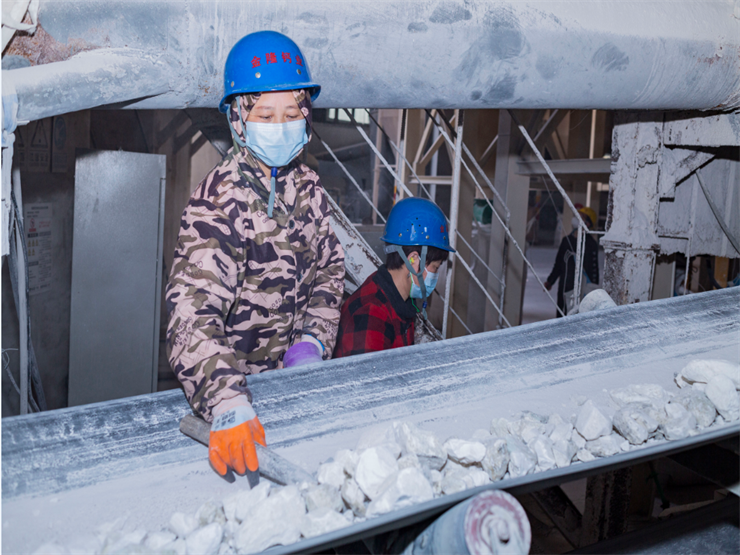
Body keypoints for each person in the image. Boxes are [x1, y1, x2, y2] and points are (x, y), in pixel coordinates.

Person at [166, 31, 345, 480]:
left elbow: (330, 270)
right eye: (266, 114)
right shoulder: (218, 202)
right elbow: (191, 314)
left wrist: (313, 340)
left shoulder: (308, 188)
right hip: (231, 405)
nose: (281, 124)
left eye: (291, 113)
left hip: (292, 393)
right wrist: (226, 401)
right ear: (238, 120)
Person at [333, 198, 453, 358]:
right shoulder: (372, 315)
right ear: (413, 260)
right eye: (435, 268)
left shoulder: (401, 301)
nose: (435, 276)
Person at [544, 206, 599, 316]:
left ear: (587, 223)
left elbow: (593, 270)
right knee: (561, 318)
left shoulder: (591, 244)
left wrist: (593, 292)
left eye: (581, 217)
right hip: (564, 288)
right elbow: (559, 264)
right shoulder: (566, 241)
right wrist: (550, 281)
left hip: (580, 291)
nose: (576, 219)